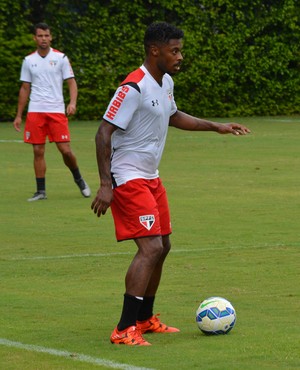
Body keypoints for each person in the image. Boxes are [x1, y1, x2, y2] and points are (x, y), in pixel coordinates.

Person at [91, 22, 250, 346]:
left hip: (151, 177)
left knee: (163, 246)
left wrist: (216, 126)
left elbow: (173, 115)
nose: (180, 56)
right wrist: (106, 184)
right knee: (150, 248)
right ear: (154, 50)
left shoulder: (165, 83)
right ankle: (123, 329)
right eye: (174, 50)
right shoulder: (132, 87)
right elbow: (103, 133)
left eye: (180, 50)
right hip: (128, 176)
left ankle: (144, 319)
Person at [13, 22, 91, 202]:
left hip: (56, 111)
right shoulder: (28, 61)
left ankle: (78, 179)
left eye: (46, 35)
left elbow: (71, 82)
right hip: (35, 111)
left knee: (65, 150)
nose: (43, 39)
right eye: (40, 36)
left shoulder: (61, 58)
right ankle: (41, 191)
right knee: (38, 151)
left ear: (51, 37)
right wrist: (19, 115)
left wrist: (72, 102)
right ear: (35, 38)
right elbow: (25, 88)